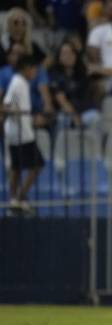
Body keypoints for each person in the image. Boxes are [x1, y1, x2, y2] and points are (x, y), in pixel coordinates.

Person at [3, 55, 43, 216]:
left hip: (23, 131)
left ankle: (16, 200)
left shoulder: (22, 83)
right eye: (34, 69)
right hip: (20, 133)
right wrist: (18, 112)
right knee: (36, 165)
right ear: (26, 68)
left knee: (17, 167)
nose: (35, 73)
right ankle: (18, 198)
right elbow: (6, 106)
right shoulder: (17, 83)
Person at [49, 41, 101, 131]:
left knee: (95, 117)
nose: (68, 56)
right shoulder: (55, 75)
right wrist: (75, 117)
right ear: (59, 57)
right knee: (62, 119)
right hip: (66, 113)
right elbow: (62, 100)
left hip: (84, 111)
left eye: (71, 53)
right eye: (65, 53)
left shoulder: (82, 72)